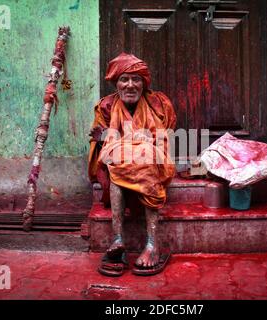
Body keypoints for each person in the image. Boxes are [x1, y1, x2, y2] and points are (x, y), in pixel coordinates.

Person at [88, 53, 176, 276]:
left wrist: (139, 145)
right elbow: (100, 142)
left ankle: (153, 245)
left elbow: (167, 136)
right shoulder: (107, 106)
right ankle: (117, 240)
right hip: (119, 167)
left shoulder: (159, 103)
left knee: (146, 157)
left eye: (136, 79)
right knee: (117, 162)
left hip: (151, 163)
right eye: (124, 79)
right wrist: (103, 137)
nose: (130, 85)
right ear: (116, 83)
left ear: (144, 82)